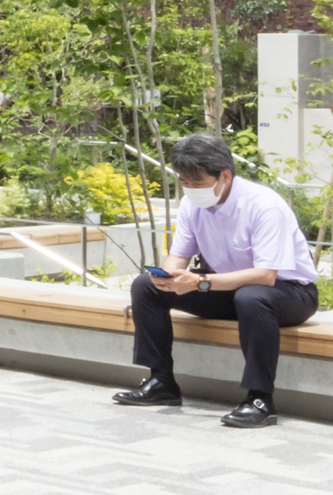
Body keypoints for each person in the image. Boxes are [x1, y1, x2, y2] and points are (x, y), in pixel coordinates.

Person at [113, 133, 319, 429]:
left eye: (198, 181)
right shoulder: (191, 205)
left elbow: (265, 275)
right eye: (184, 181)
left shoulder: (263, 205)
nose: (190, 188)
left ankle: (259, 400)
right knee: (146, 286)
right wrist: (168, 277)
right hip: (229, 290)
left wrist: (200, 282)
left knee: (251, 296)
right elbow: (178, 257)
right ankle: (161, 382)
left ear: (225, 175)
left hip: (288, 293)